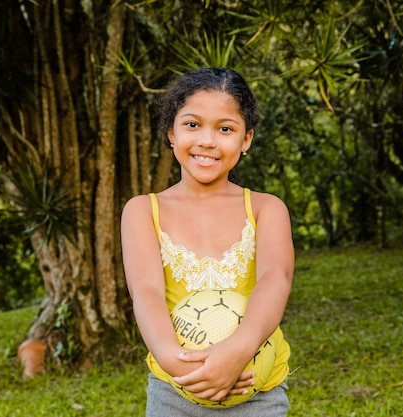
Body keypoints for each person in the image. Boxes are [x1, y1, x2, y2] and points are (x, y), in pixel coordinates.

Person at [121, 67, 294, 417]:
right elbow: (146, 292)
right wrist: (176, 363)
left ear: (246, 140)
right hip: (175, 392)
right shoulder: (142, 211)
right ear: (171, 132)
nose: (207, 141)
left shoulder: (265, 209)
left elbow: (276, 279)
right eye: (192, 125)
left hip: (256, 388)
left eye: (225, 129)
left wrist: (237, 352)